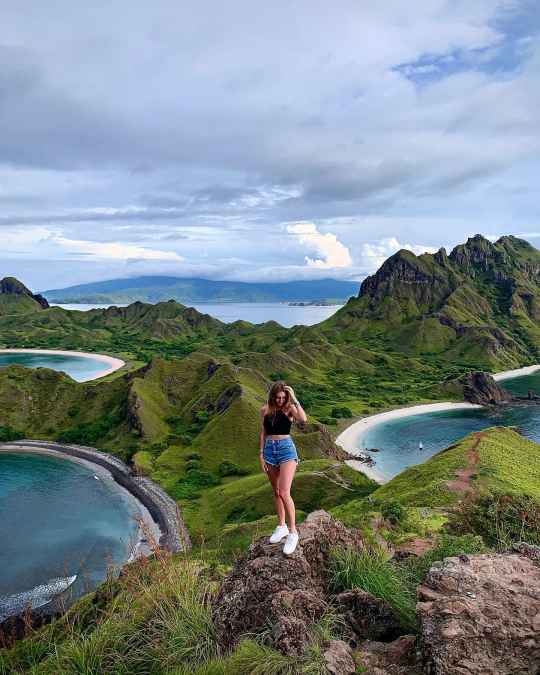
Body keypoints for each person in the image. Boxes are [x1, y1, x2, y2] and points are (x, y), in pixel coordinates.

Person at [260, 381, 307, 555]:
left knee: (285, 492)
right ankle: (282, 526)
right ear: (272, 396)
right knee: (276, 492)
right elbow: (263, 432)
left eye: (283, 397)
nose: (280, 400)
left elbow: (303, 419)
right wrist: (261, 454)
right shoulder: (265, 410)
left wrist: (294, 399)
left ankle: (293, 532)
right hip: (269, 451)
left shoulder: (290, 409)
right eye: (277, 397)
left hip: (286, 450)